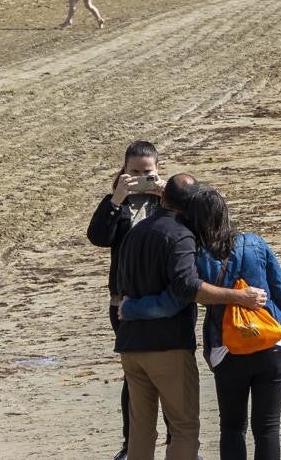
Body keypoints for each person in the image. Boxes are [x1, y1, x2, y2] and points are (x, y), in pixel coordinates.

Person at [121, 187, 281, 460]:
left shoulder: (198, 254)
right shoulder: (255, 242)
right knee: (268, 428)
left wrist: (132, 308)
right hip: (272, 341)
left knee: (231, 427)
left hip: (225, 347)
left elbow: (180, 296)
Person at [87, 141, 165, 460]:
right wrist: (116, 198)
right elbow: (98, 238)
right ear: (123, 172)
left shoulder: (171, 200)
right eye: (134, 172)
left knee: (175, 375)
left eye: (148, 172)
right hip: (124, 304)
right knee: (135, 375)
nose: (141, 179)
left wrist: (168, 195)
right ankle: (131, 444)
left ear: (158, 170)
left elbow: (196, 229)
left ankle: (181, 443)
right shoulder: (116, 203)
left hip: (168, 300)